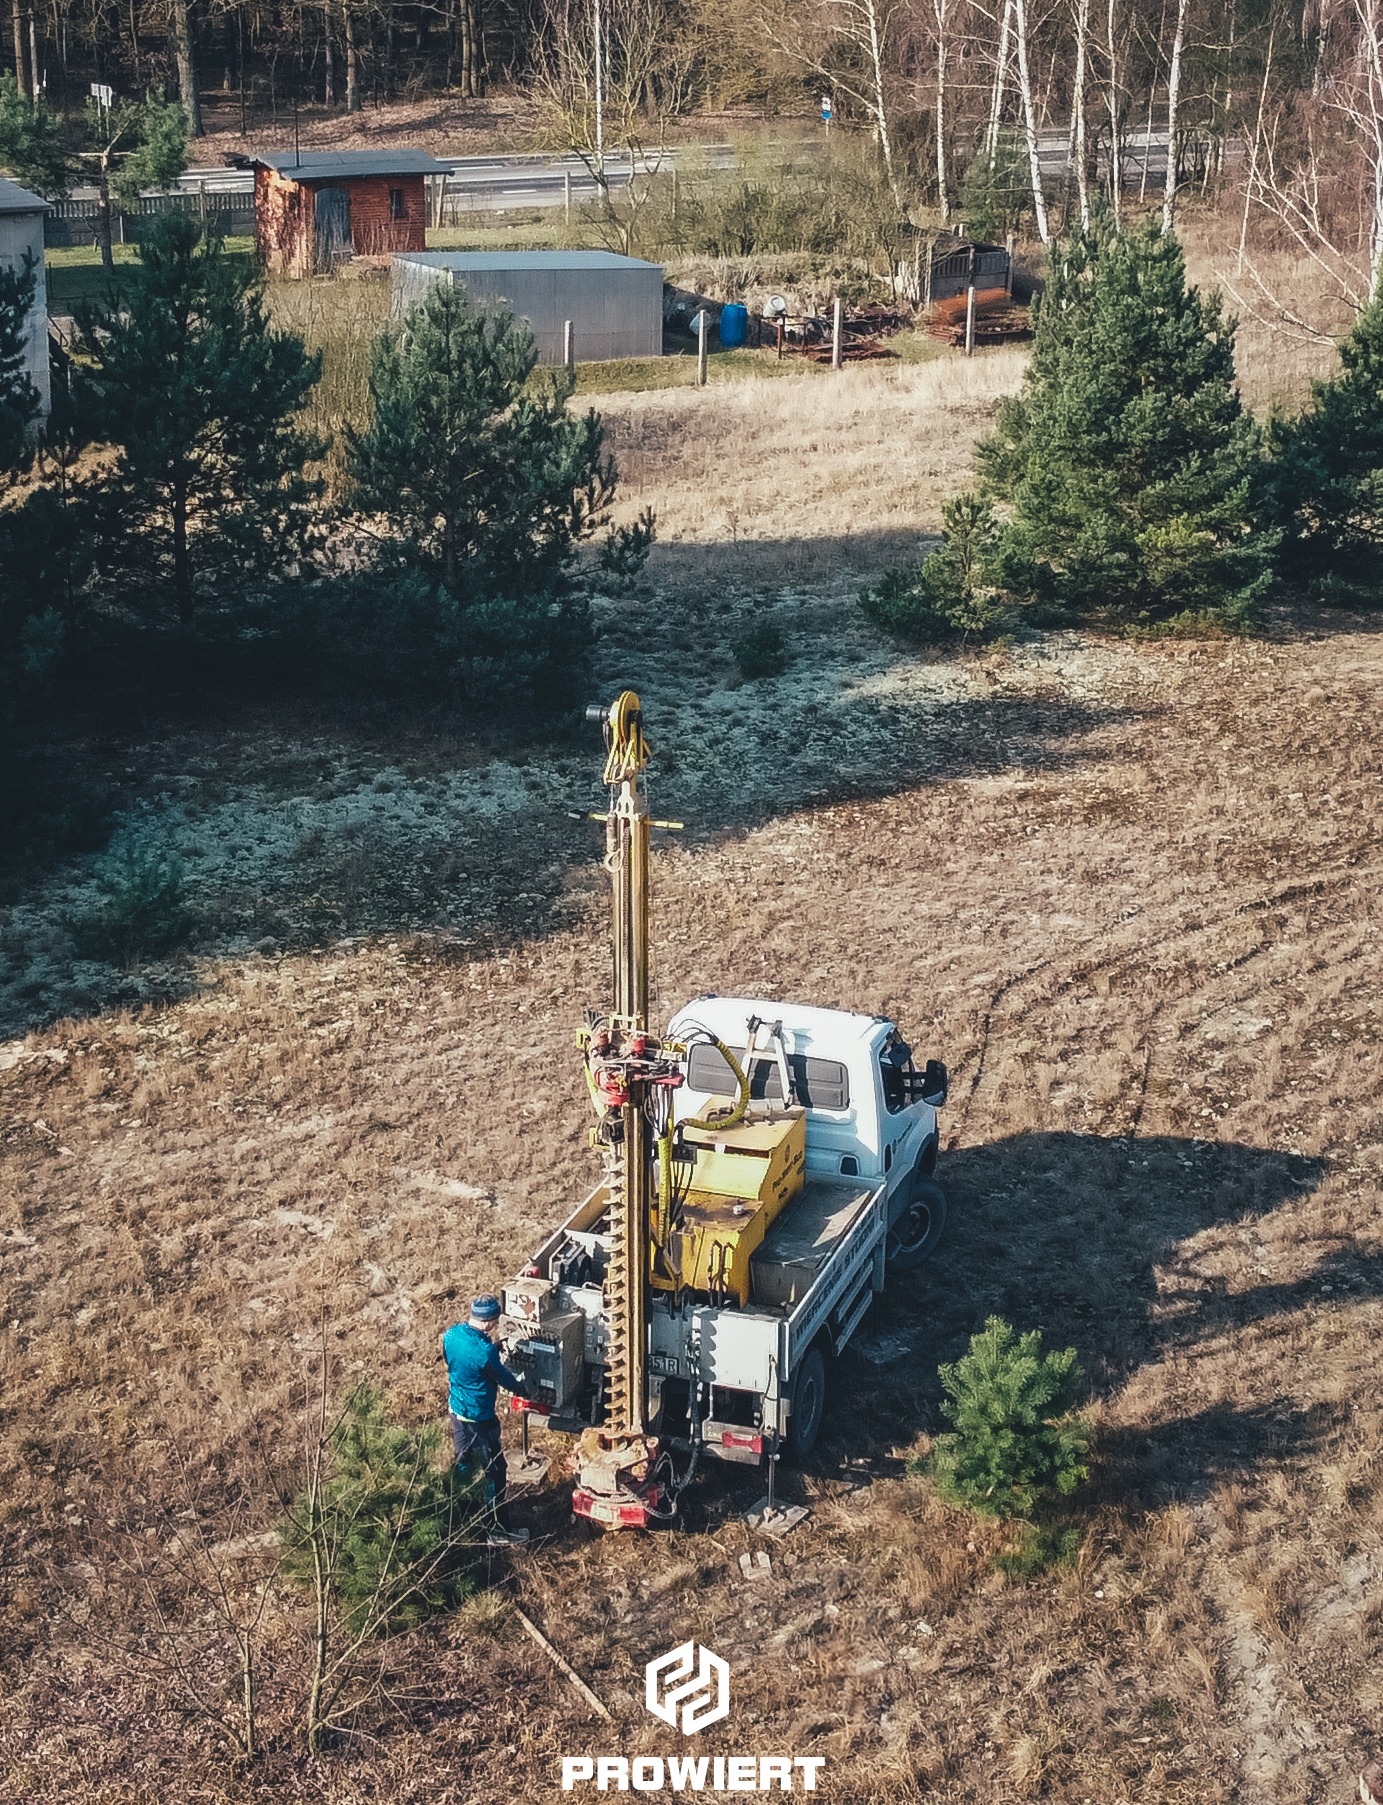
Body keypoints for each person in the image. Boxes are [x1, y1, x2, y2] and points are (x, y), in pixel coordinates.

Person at [443, 1295, 531, 1546]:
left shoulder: (451, 1335)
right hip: (479, 1418)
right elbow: (503, 1378)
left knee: (464, 1464)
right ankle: (498, 1530)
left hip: (456, 1410)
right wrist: (523, 1389)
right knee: (495, 1472)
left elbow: (451, 1363)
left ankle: (456, 1517)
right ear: (492, 1321)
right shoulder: (484, 1353)